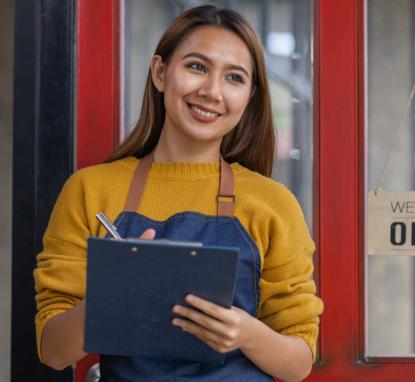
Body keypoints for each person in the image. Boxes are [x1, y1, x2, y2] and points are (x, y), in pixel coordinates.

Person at [33, 5, 323, 382]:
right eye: (197, 67)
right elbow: (53, 351)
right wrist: (115, 293)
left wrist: (247, 333)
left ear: (249, 96)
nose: (211, 91)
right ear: (160, 73)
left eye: (234, 78)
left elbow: (299, 362)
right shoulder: (91, 190)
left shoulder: (273, 204)